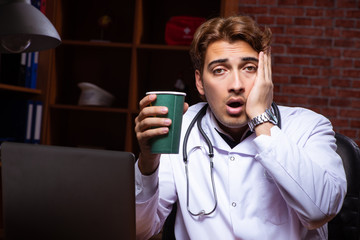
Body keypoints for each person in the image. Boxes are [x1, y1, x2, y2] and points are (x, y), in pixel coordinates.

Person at [134, 15, 347, 240]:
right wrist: (148, 162)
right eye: (219, 70)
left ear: (266, 74)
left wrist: (261, 119)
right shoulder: (181, 127)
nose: (236, 85)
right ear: (200, 82)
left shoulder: (308, 126)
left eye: (249, 68)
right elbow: (140, 231)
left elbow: (320, 211)